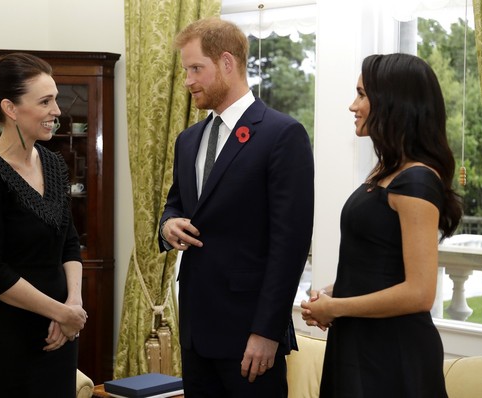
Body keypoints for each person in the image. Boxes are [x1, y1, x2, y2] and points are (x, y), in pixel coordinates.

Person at [159, 17, 314, 397]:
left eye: (196, 69)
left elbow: (290, 245)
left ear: (227, 63)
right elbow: (175, 204)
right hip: (196, 332)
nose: (188, 80)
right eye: (186, 70)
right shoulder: (188, 140)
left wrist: (266, 331)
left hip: (250, 336)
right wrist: (167, 226)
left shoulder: (282, 135)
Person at [301, 53, 463, 397]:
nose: (352, 105)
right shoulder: (386, 173)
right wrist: (334, 292)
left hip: (392, 356)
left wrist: (336, 308)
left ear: (392, 102)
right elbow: (380, 266)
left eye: (361, 94)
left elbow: (420, 293)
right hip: (361, 345)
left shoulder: (417, 181)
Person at [0, 53, 88, 398]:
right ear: (11, 109)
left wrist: (72, 306)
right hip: (3, 343)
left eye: (55, 99)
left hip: (58, 336)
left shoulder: (56, 164)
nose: (57, 110)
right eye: (45, 101)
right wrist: (60, 311)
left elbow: (70, 243)